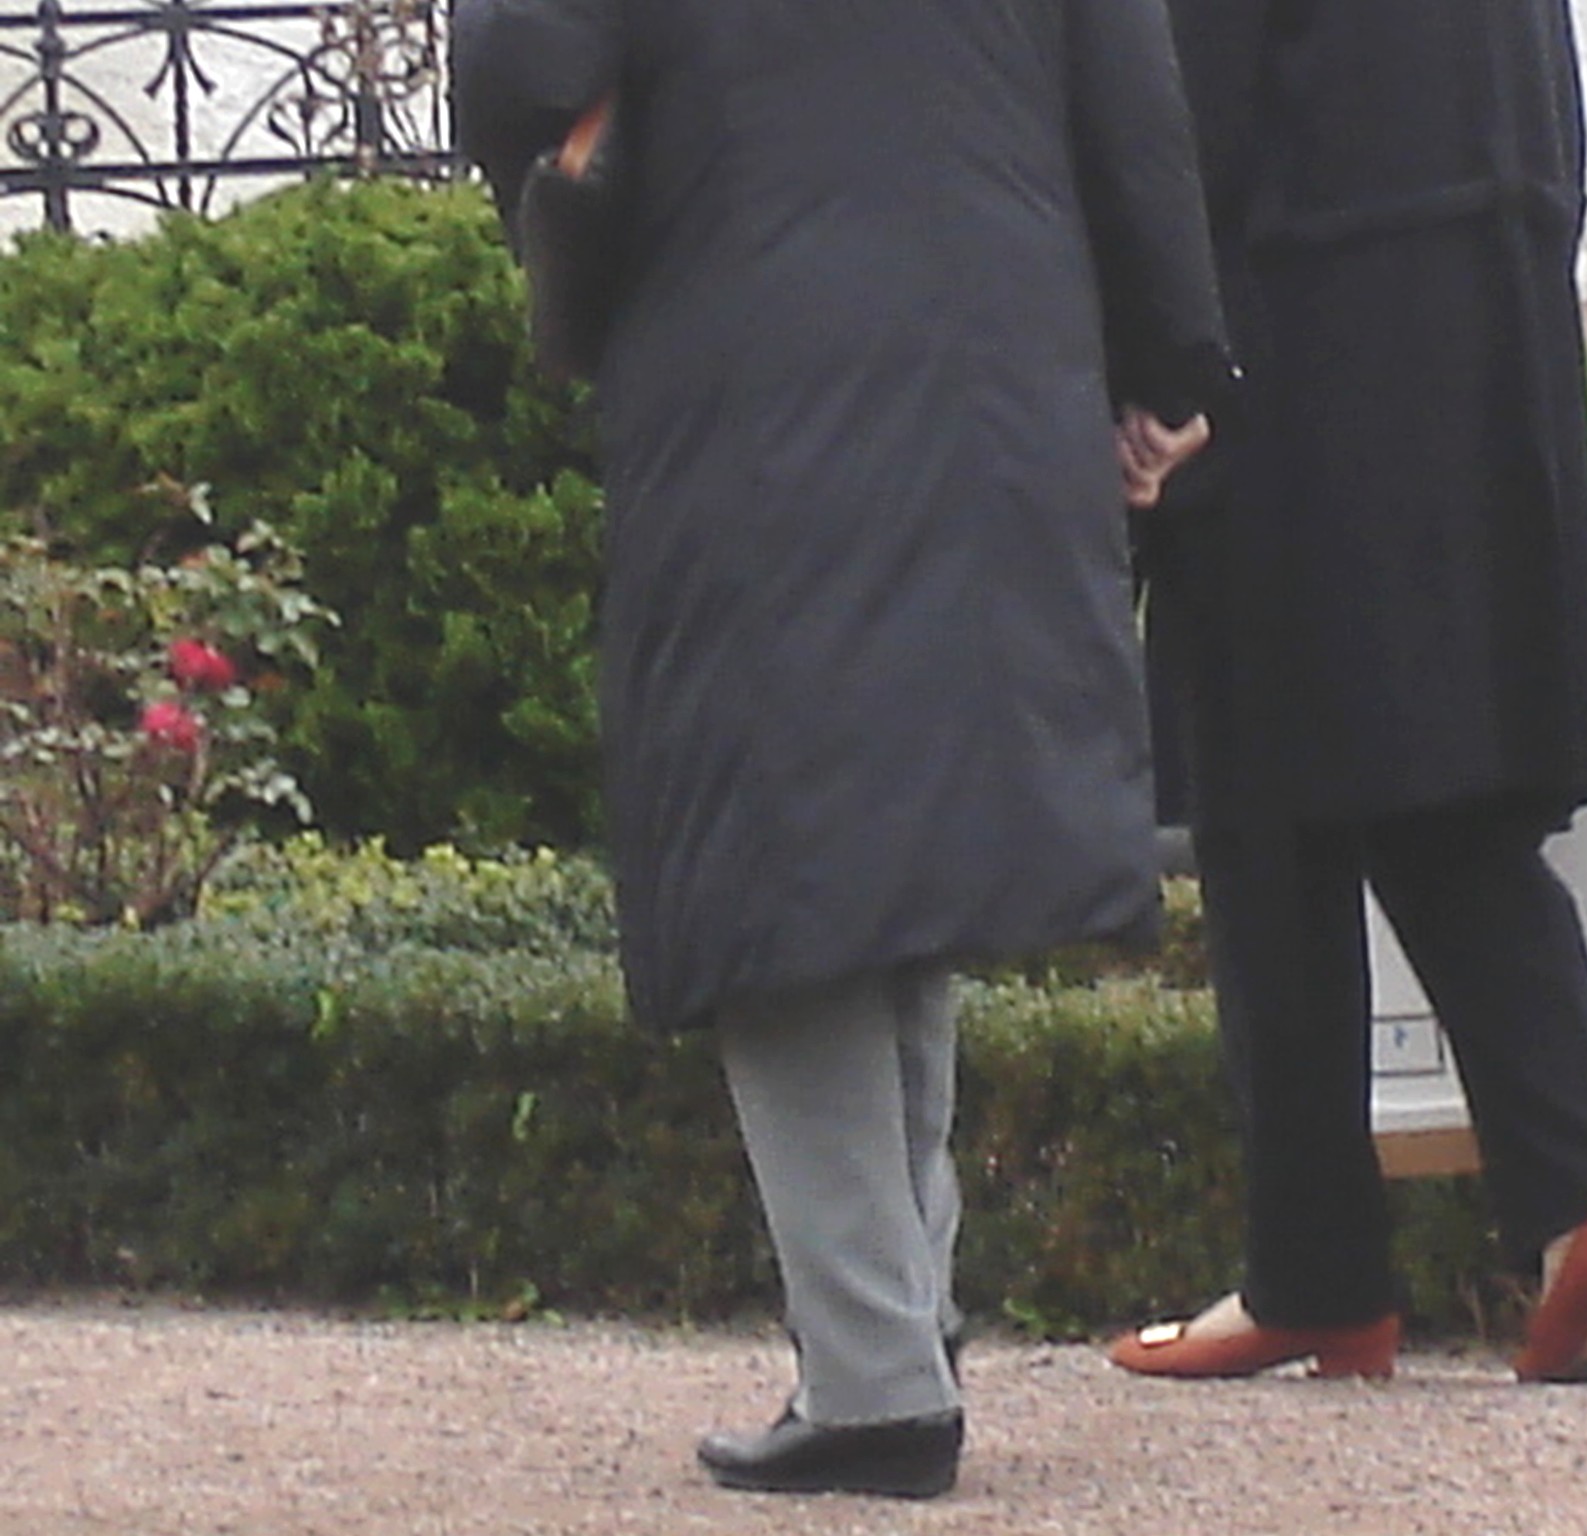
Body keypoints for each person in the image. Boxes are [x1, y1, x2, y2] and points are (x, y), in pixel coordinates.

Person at [451, 0, 1228, 1500]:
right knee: (904, 834)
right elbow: (1135, 105)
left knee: (780, 858)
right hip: (1001, 336)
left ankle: (875, 1376)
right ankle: (898, 1329)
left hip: (752, 346)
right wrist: (1171, 366)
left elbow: (523, 57)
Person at [1107, 0, 1587, 1387]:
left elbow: (1187, 123)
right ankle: (1560, 1210)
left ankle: (1343, 1266)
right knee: (1424, 784)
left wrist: (1161, 365)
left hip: (1292, 338)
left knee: (1268, 794)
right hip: (1481, 324)